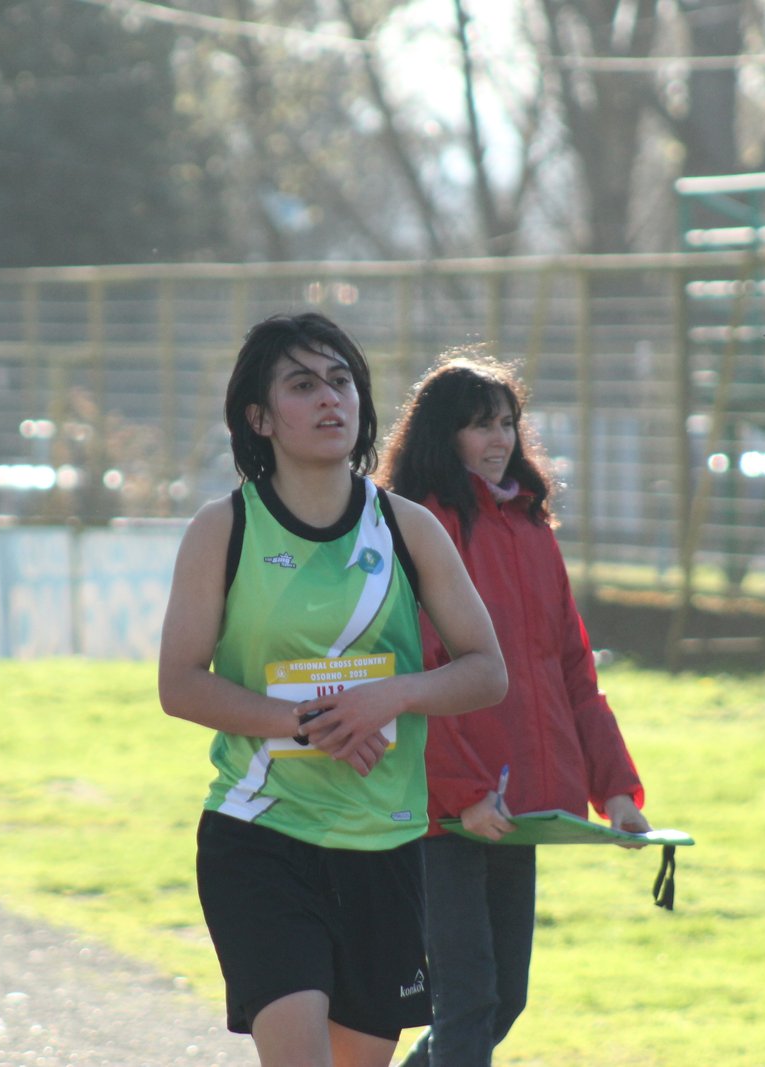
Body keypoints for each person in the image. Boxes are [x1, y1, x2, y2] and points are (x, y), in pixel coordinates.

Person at [158, 313, 510, 1067]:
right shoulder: (223, 529)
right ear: (260, 416)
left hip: (382, 843)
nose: (330, 399)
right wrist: (303, 720)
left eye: (342, 379)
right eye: (303, 384)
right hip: (261, 836)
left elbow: (488, 669)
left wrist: (392, 697)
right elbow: (180, 683)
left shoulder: (407, 529)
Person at [382, 353, 649, 1067]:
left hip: (520, 805)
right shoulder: (417, 528)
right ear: (443, 434)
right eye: (478, 426)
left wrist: (617, 791)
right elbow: (418, 674)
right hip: (443, 810)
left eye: (507, 422)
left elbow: (573, 672)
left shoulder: (532, 528)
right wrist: (465, 794)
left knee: (503, 1000)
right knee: (467, 1001)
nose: (498, 439)